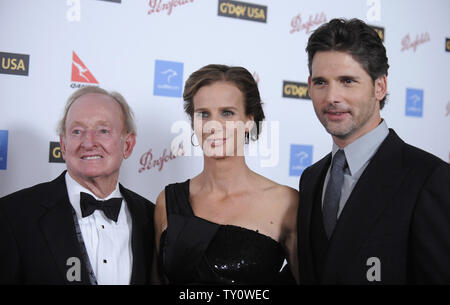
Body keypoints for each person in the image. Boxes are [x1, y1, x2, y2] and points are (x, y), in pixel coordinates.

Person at [297, 18, 450, 284]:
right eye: (321, 82)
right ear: (309, 86)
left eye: (347, 81)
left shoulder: (430, 178)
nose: (332, 96)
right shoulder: (310, 179)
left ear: (379, 87)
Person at [153, 64, 299, 284]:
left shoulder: (286, 202)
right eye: (203, 114)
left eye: (227, 113)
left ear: (249, 120)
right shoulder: (168, 201)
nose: (214, 126)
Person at [0, 86, 155, 284]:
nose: (88, 142)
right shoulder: (12, 215)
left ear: (128, 145)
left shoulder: (153, 220)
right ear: (63, 145)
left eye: (103, 130)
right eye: (77, 131)